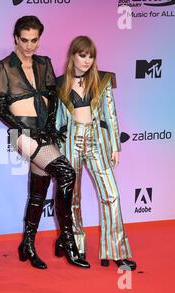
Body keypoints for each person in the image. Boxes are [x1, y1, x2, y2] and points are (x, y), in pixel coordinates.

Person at [0, 16, 89, 269]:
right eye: (24, 40)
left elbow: (53, 100)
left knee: (39, 190)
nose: (29, 46)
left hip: (44, 133)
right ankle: (68, 241)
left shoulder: (44, 63)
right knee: (66, 173)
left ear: (39, 40)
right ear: (15, 38)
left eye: (34, 40)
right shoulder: (1, 67)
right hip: (21, 133)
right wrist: (25, 131)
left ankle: (27, 243)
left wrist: (50, 129)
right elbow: (0, 109)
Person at [56, 36, 136, 270]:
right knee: (72, 197)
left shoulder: (102, 80)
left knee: (112, 195)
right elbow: (59, 120)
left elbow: (110, 114)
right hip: (71, 142)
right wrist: (58, 149)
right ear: (73, 56)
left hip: (96, 141)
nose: (86, 60)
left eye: (90, 56)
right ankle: (76, 245)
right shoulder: (60, 83)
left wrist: (115, 146)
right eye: (82, 55)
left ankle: (116, 251)